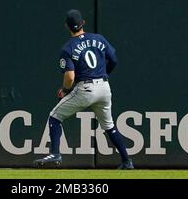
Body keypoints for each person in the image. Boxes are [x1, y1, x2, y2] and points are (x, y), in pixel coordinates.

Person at [33, 9, 134, 169]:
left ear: (67, 26)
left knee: (55, 116)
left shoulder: (68, 47)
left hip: (86, 88)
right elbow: (113, 59)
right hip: (104, 87)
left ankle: (55, 154)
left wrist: (66, 90)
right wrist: (103, 75)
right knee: (109, 126)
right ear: (83, 23)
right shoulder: (98, 38)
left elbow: (70, 77)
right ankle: (126, 161)